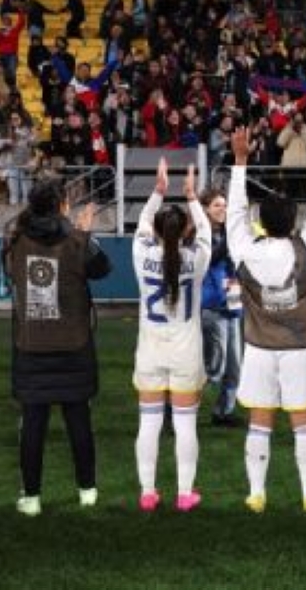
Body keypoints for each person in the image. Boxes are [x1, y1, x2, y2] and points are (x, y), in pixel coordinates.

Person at [227, 127, 306, 514]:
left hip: (260, 346)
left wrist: (241, 163)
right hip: (299, 348)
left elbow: (234, 214)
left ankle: (256, 493)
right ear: (294, 219)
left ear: (262, 219)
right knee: (303, 419)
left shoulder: (245, 250)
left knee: (259, 420)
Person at [2, 180, 111, 516]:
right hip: (73, 344)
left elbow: (9, 271)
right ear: (63, 205)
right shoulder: (76, 240)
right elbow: (103, 268)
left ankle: (32, 497)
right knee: (78, 420)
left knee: (33, 424)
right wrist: (84, 232)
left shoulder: (15, 240)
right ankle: (87, 490)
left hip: (32, 345)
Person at [132, 158, 211, 513]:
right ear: (184, 232)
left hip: (149, 352)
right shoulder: (195, 258)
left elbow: (143, 224)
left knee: (149, 423)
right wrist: (192, 196)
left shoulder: (141, 252)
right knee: (185, 424)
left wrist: (157, 191)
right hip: (185, 353)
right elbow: (207, 233)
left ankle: (148, 493)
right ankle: (183, 493)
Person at [199, 187, 243, 427]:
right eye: (216, 205)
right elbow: (210, 259)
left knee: (235, 366)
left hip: (233, 305)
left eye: (224, 205)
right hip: (211, 306)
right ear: (205, 208)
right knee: (214, 366)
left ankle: (224, 411)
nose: (222, 209)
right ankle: (179, 408)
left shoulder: (232, 234)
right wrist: (231, 239)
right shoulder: (198, 233)